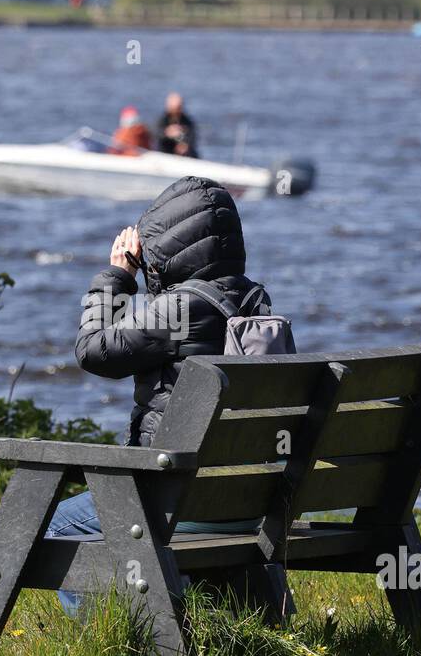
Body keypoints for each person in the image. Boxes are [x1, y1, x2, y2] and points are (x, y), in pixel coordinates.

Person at [45, 176, 272, 610]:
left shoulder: (180, 309)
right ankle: (217, 626)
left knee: (54, 526)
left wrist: (118, 276)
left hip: (180, 501)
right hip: (251, 500)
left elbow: (94, 351)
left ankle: (125, 642)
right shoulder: (256, 302)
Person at [156, 91, 198, 157]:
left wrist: (185, 145)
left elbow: (193, 136)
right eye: (174, 108)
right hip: (166, 152)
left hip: (183, 154)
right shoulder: (163, 120)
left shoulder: (187, 121)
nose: (176, 111)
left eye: (179, 108)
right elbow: (155, 134)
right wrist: (167, 133)